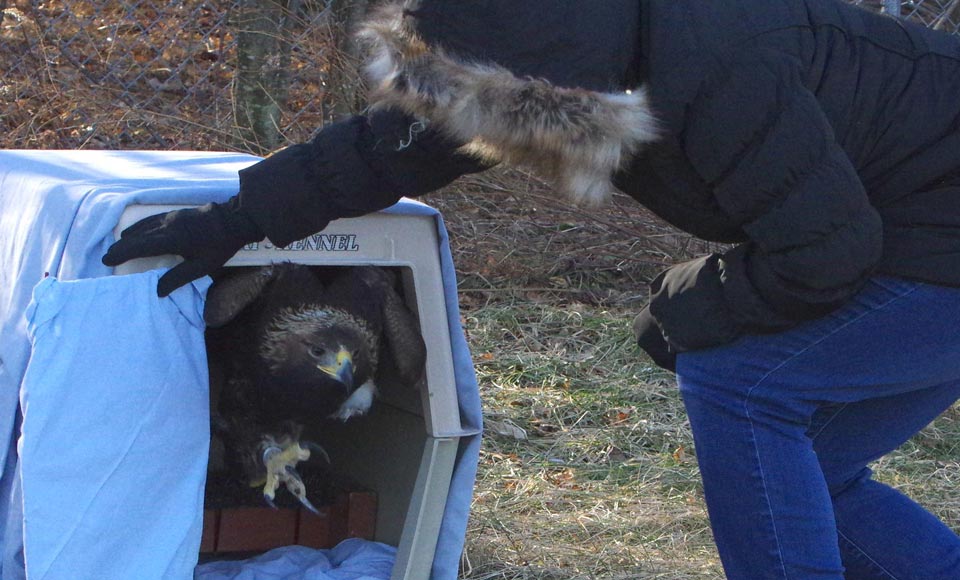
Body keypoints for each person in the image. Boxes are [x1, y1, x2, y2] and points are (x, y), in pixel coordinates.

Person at [103, 0, 960, 578]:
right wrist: (233, 220)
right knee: (823, 468)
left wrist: (695, 305)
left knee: (741, 384)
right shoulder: (567, 37)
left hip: (932, 238)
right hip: (912, 226)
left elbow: (826, 251)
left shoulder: (718, 66)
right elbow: (399, 145)